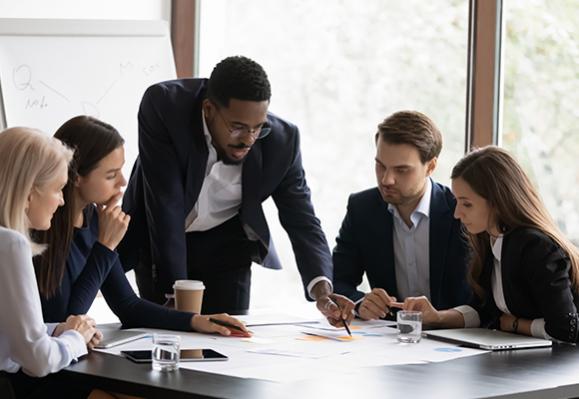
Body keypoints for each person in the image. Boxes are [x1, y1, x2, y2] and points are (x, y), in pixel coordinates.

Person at [119, 55, 353, 324]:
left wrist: (323, 291)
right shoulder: (165, 106)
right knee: (166, 337)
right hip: (161, 240)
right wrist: (178, 298)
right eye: (238, 127)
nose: (248, 140)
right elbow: (165, 204)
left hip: (226, 247)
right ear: (208, 109)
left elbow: (302, 219)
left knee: (231, 339)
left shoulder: (282, 141)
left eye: (258, 128)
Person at [32, 116, 249, 337]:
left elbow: (127, 305)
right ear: (76, 176)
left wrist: (195, 321)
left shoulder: (95, 219)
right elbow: (65, 323)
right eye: (111, 175)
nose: (123, 182)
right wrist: (105, 247)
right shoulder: (42, 226)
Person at [392, 146, 579, 343]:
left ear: (497, 202)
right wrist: (437, 317)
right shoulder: (490, 239)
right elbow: (484, 311)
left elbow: (565, 329)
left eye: (467, 204)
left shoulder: (535, 247)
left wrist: (514, 325)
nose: (457, 214)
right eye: (457, 202)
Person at [333, 111, 471, 320]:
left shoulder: (460, 212)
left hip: (453, 338)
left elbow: (483, 299)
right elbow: (337, 280)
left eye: (402, 170)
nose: (387, 180)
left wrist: (441, 318)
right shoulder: (362, 208)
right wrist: (360, 303)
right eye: (381, 166)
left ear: (430, 167)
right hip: (389, 340)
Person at [0, 127, 102, 398]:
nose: (61, 200)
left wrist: (57, 329)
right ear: (29, 192)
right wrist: (76, 339)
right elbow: (37, 360)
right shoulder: (10, 244)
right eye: (58, 189)